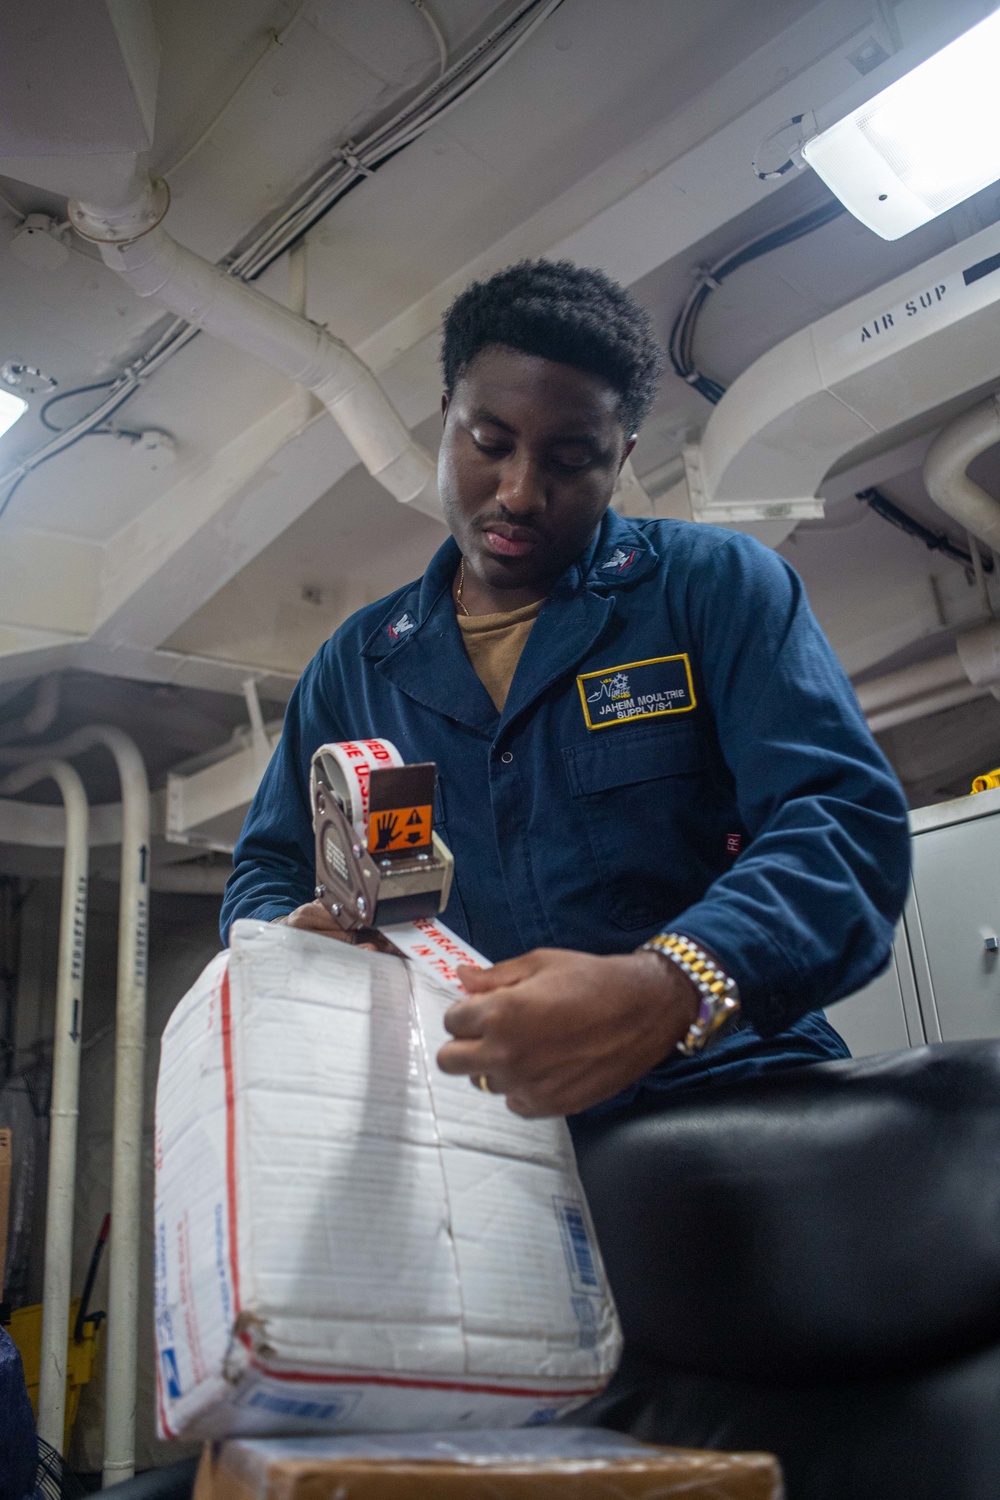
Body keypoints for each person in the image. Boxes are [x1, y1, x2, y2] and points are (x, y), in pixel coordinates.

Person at [221, 258, 910, 1125]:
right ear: (446, 423)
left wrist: (671, 985)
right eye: (490, 444)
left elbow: (844, 828)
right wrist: (293, 940)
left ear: (620, 458)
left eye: (570, 458)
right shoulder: (357, 667)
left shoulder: (712, 589)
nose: (518, 492)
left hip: (739, 1090)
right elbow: (267, 870)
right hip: (492, 1122)